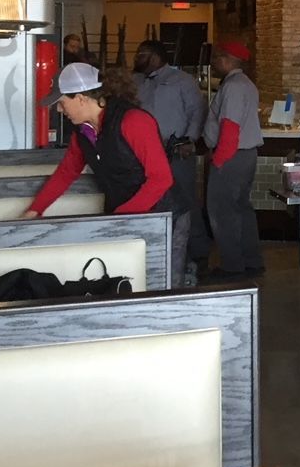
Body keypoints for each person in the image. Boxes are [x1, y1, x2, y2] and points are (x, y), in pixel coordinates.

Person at [25, 62, 172, 218]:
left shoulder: (133, 121)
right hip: (124, 216)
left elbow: (161, 179)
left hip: (162, 215)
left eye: (62, 103)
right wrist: (35, 210)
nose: (60, 110)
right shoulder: (83, 131)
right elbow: (66, 172)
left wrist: (121, 218)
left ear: (81, 98)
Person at [134, 39, 207, 286]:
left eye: (141, 54)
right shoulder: (137, 82)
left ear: (154, 56)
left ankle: (197, 254)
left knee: (184, 202)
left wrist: (190, 140)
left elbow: (197, 111)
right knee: (156, 202)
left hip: (177, 150)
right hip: (146, 153)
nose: (137, 57)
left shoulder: (183, 81)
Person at [203, 41, 265, 278]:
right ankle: (251, 260)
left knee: (222, 212)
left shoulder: (233, 87)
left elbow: (230, 127)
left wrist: (218, 160)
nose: (215, 62)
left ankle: (232, 265)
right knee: (241, 209)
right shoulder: (245, 84)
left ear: (229, 59)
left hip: (231, 156)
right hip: (243, 155)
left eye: (218, 57)